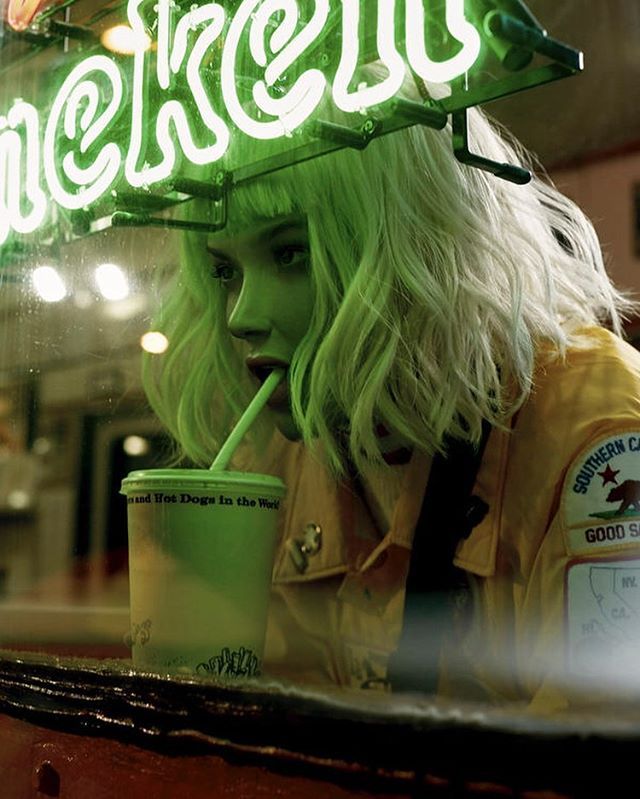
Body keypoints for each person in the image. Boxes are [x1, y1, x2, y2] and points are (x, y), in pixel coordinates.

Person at [142, 71, 640, 714]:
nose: (240, 315)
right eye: (224, 271)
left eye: (292, 253)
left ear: (413, 243)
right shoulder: (294, 446)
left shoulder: (597, 433)